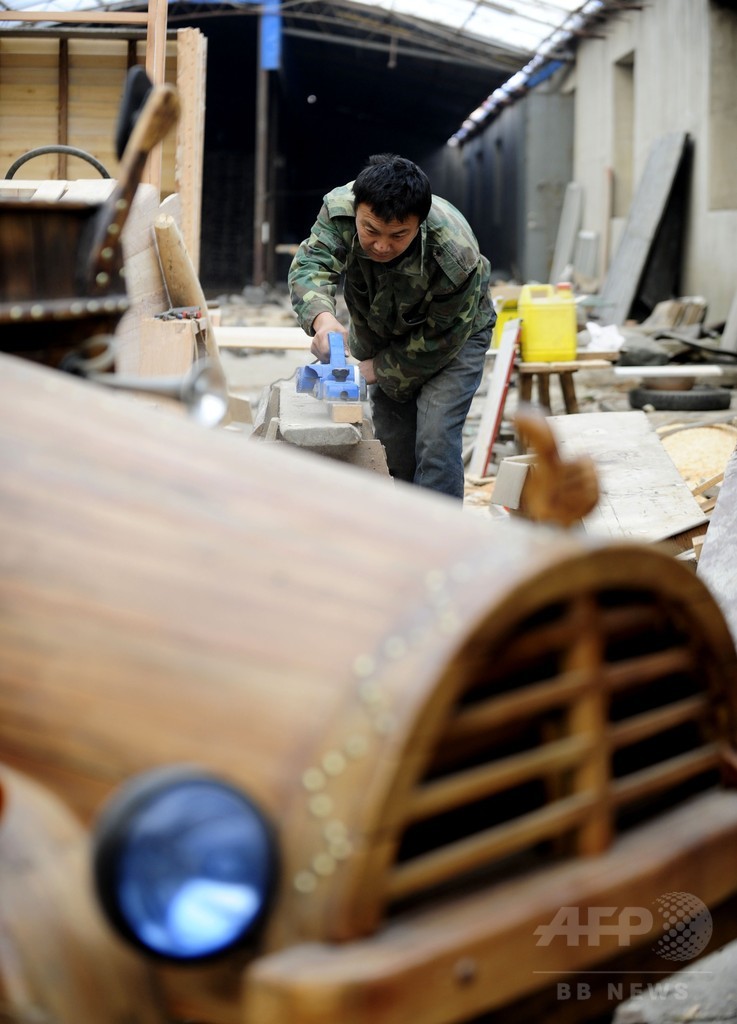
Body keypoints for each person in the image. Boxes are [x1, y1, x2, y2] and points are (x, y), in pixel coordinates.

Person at [288, 153, 495, 500]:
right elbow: (311, 265)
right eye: (370, 230)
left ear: (419, 224)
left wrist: (376, 369)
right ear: (357, 210)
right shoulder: (340, 211)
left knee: (435, 436)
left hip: (454, 335)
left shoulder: (454, 254)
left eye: (399, 235)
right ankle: (400, 521)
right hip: (381, 326)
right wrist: (323, 319)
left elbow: (441, 338)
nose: (382, 246)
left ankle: (438, 529)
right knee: (394, 445)